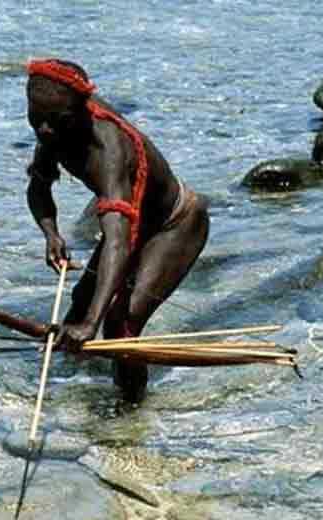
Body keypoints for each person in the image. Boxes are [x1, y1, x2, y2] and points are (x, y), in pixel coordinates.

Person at [24, 59, 210, 404]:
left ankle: (130, 414)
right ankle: (63, 399)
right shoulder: (53, 128)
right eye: (36, 120)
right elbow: (38, 189)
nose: (45, 131)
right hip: (134, 224)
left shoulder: (108, 149)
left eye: (56, 122)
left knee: (118, 327)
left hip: (175, 224)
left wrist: (91, 325)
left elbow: (118, 240)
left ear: (80, 111)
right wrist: (51, 234)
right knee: (78, 307)